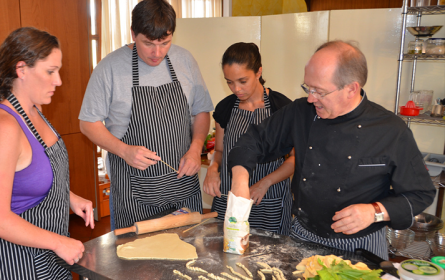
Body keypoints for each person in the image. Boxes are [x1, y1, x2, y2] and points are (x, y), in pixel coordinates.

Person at [227, 40, 436, 259]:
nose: (310, 98)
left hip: (361, 245)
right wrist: (240, 180)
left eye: (319, 91)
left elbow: (420, 194)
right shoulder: (301, 112)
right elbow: (255, 139)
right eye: (308, 87)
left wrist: (374, 212)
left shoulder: (390, 130)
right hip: (303, 236)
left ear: (351, 89)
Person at [0, 27, 95, 280]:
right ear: (21, 69)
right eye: (50, 71)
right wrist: (59, 243)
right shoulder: (1, 126)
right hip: (12, 262)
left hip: (44, 252)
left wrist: (69, 197)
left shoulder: (35, 111)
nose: (58, 81)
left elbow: (30, 175)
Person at [79, 0, 213, 229]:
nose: (157, 53)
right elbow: (88, 123)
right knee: (136, 262)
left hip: (182, 186)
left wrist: (194, 148)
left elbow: (201, 111)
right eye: (148, 43)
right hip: (133, 191)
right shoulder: (109, 67)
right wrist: (124, 150)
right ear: (133, 34)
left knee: (189, 255)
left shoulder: (185, 61)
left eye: (165, 43)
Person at [203, 42, 295, 235]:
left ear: (258, 72)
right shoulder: (225, 108)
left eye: (242, 81)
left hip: (269, 199)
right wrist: (212, 169)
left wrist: (265, 183)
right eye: (229, 81)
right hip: (230, 197)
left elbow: (296, 159)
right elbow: (219, 151)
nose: (236, 88)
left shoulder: (282, 108)